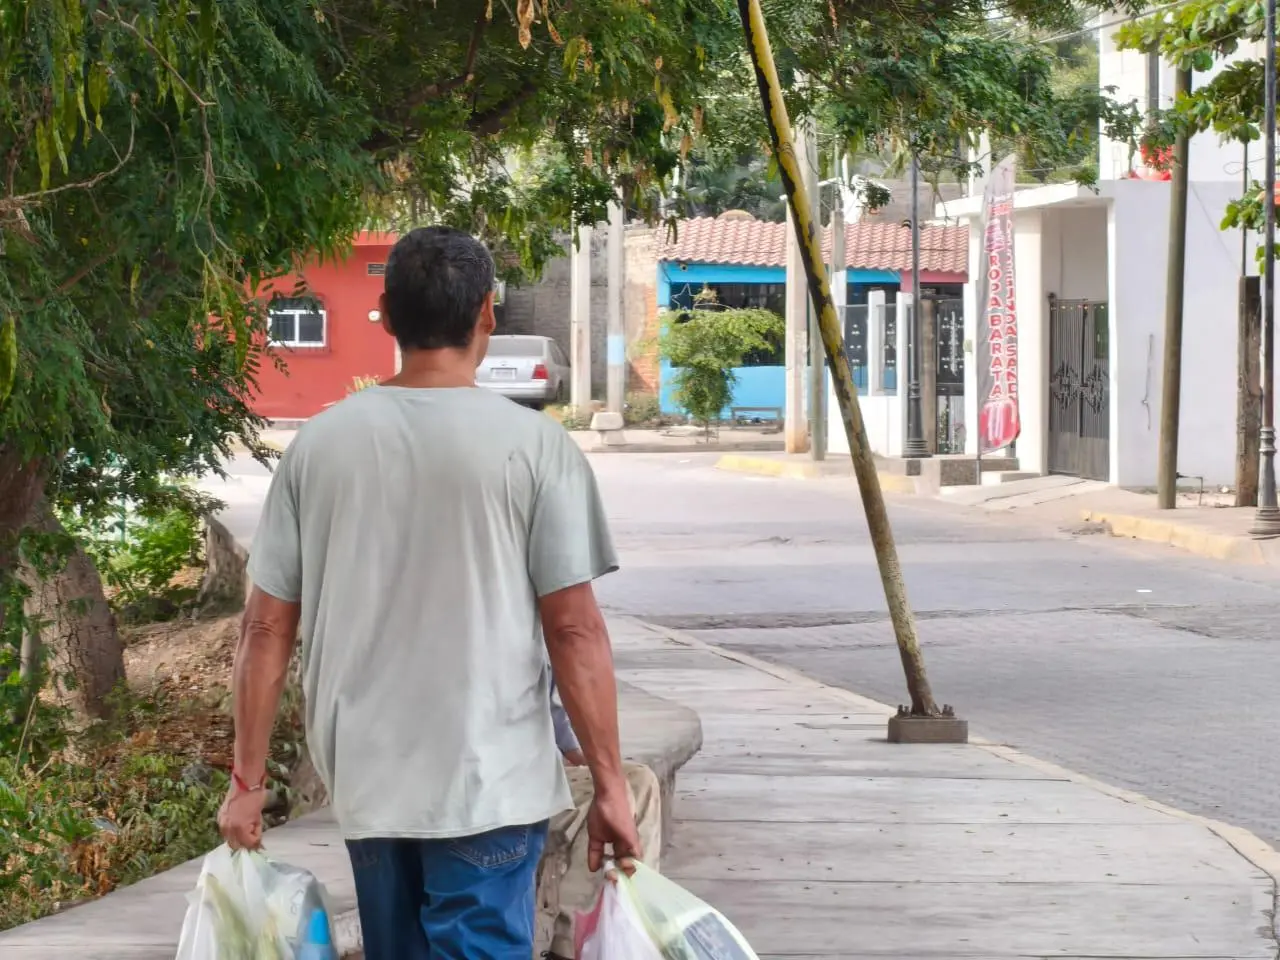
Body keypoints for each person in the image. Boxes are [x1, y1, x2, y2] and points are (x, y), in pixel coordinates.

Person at [218, 226, 641, 960]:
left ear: (386, 314)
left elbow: (264, 632)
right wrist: (610, 782)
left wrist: (246, 781)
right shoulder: (536, 449)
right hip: (490, 781)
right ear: (486, 314)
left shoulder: (319, 446)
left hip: (371, 786)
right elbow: (574, 632)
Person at [542, 683, 661, 960]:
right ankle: (575, 947)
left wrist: (576, 751)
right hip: (500, 773)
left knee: (636, 783)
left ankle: (633, 933)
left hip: (543, 761)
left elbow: (541, 698)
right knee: (611, 796)